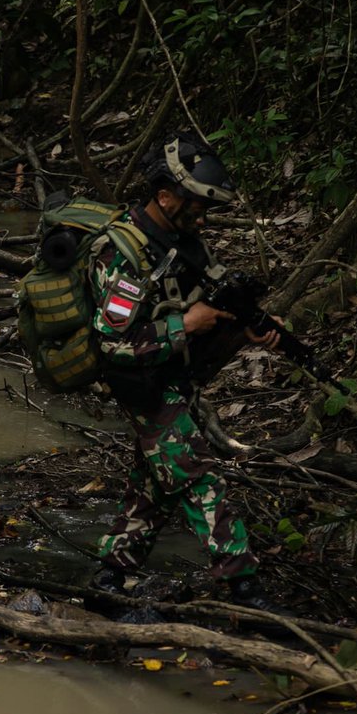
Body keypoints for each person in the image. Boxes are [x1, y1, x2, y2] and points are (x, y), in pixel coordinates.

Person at [87, 131, 283, 612]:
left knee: (156, 481)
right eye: (194, 204)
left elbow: (210, 302)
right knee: (196, 475)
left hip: (172, 377)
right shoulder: (123, 257)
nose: (202, 216)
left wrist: (245, 328)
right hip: (139, 383)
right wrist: (183, 324)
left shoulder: (182, 242)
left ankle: (108, 580)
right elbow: (112, 346)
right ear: (164, 196)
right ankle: (246, 593)